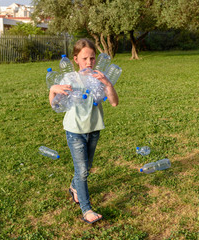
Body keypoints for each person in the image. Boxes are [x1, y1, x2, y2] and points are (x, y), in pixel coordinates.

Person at [49, 38, 119, 224]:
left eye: (92, 58)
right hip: (74, 130)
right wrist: (53, 89)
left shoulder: (99, 78)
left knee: (86, 167)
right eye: (85, 58)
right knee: (82, 171)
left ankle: (74, 187)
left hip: (94, 128)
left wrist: (107, 83)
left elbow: (114, 102)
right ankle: (86, 209)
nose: (89, 62)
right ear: (76, 59)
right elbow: (54, 103)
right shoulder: (70, 79)